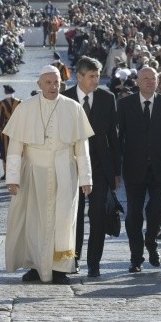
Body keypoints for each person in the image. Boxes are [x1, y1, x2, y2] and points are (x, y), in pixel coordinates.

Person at [3, 65, 93, 285]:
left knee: (64, 221)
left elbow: (81, 147)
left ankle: (60, 267)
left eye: (57, 83)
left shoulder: (73, 108)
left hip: (65, 170)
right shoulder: (25, 108)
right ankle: (35, 266)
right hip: (34, 171)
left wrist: (86, 178)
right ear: (39, 85)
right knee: (34, 220)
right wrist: (12, 179)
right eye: (48, 83)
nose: (53, 87)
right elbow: (15, 147)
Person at [117, 66, 161, 273]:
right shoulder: (125, 104)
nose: (149, 81)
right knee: (133, 214)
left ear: (157, 81)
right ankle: (136, 257)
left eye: (152, 78)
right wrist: (115, 169)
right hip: (134, 168)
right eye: (145, 78)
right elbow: (118, 138)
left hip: (160, 169)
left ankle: (151, 244)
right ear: (137, 81)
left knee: (156, 211)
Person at [63, 56, 120, 278]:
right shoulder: (64, 98)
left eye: (98, 76)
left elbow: (114, 137)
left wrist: (116, 171)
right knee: (73, 216)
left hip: (99, 168)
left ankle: (94, 262)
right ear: (79, 76)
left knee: (97, 216)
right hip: (71, 166)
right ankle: (73, 259)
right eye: (92, 76)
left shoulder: (107, 98)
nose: (96, 80)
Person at [0, 84, 20, 180]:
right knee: (17, 152)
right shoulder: (19, 102)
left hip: (5, 132)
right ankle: (16, 173)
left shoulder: (1, 104)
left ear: (5, 92)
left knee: (5, 153)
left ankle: (7, 174)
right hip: (17, 131)